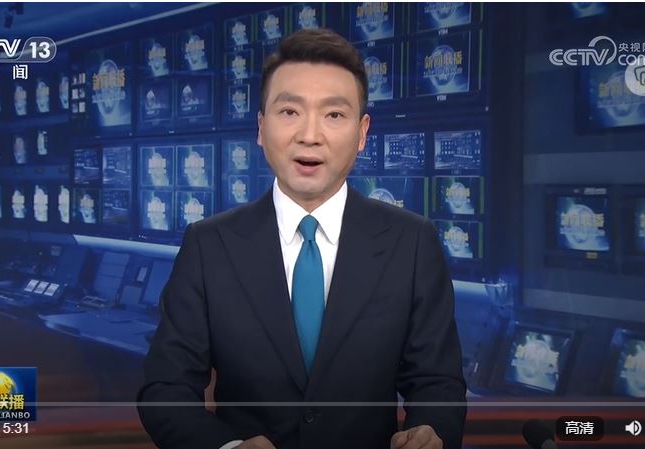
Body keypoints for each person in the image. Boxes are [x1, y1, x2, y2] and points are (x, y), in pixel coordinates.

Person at [138, 28, 466, 449]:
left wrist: (432, 432)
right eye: (290, 111)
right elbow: (165, 391)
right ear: (261, 127)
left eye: (334, 115)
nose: (310, 135)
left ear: (362, 133)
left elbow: (438, 383)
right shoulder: (208, 245)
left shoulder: (412, 242)